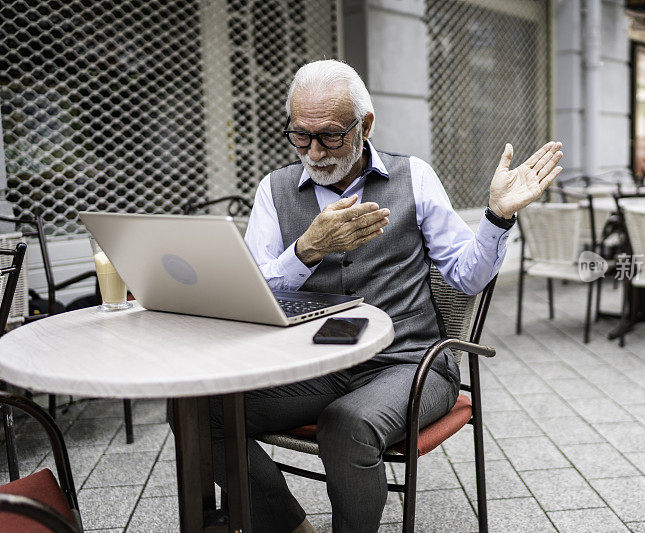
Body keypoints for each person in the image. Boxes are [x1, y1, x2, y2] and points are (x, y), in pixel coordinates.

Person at [217, 59, 562, 533]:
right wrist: (307, 250)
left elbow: (465, 277)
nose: (314, 153)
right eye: (300, 135)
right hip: (314, 366)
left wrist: (497, 215)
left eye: (331, 136)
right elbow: (254, 296)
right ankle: (289, 525)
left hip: (410, 364)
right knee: (202, 410)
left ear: (366, 125)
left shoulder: (413, 177)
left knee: (347, 425)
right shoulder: (273, 191)